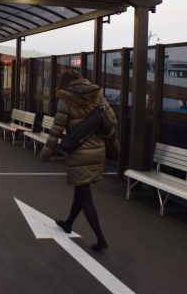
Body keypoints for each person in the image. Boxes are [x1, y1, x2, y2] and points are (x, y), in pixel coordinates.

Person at [39, 70, 119, 251]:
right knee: (81, 189)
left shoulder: (65, 99)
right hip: (98, 149)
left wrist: (47, 152)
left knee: (85, 196)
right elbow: (112, 120)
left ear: (65, 83)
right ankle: (68, 223)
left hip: (79, 151)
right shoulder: (97, 95)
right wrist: (115, 145)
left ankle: (101, 239)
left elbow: (57, 129)